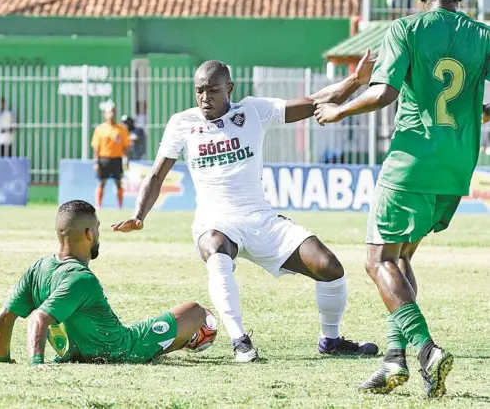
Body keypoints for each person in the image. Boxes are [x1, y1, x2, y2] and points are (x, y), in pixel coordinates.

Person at [112, 55, 379, 363]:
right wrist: (139, 215)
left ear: (230, 88)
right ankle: (240, 340)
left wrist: (356, 81)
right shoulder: (182, 123)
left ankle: (331, 341)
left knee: (329, 266)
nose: (204, 98)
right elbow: (157, 174)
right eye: (199, 90)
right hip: (215, 220)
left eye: (212, 90)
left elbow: (316, 101)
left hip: (259, 218)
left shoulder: (253, 111)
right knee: (216, 248)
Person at [315, 0, 490, 397]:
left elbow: (385, 93)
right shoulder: (483, 36)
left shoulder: (407, 29)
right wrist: (474, 115)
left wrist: (338, 110)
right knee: (401, 259)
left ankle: (425, 350)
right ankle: (395, 361)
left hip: (411, 162)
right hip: (455, 168)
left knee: (376, 261)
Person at [0, 200, 208, 367]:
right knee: (197, 311)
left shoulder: (38, 267)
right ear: (89, 234)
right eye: (97, 228)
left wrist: (4, 360)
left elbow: (3, 319)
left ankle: (179, 341)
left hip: (77, 353)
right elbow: (38, 319)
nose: (98, 233)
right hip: (121, 350)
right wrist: (36, 363)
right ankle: (186, 340)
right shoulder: (81, 278)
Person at [91, 101, 131, 209]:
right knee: (101, 182)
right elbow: (96, 148)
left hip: (117, 159)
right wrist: (96, 162)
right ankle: (98, 205)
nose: (111, 114)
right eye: (109, 112)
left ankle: (120, 206)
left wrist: (125, 158)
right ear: (105, 114)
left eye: (113, 112)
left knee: (118, 182)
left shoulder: (121, 129)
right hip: (103, 159)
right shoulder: (100, 129)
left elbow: (126, 146)